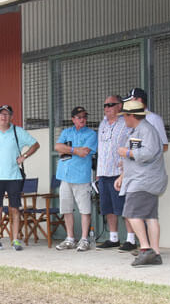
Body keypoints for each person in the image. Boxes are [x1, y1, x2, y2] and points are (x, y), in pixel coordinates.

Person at [114, 100, 168, 267]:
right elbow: (135, 159)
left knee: (131, 214)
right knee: (151, 217)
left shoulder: (146, 130)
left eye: (125, 116)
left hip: (144, 180)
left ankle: (145, 249)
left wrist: (127, 152)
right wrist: (122, 176)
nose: (124, 119)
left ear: (131, 116)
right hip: (141, 178)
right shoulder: (137, 130)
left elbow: (148, 153)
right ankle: (156, 253)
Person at [0, 104, 40, 252]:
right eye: (1, 114)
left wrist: (24, 156)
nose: (3, 117)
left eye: (6, 114)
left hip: (14, 177)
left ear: (11, 117)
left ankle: (15, 239)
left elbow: (35, 144)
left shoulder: (17, 131)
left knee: (14, 209)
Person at [54, 107, 98, 252]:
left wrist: (70, 149)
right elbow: (58, 146)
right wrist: (74, 150)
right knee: (66, 209)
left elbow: (86, 152)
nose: (82, 119)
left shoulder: (91, 134)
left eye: (84, 117)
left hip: (81, 176)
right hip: (65, 176)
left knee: (85, 209)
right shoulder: (67, 132)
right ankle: (70, 239)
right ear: (73, 119)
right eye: (79, 117)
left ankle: (84, 239)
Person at [95, 95, 133, 250]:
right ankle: (113, 237)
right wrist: (98, 172)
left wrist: (127, 164)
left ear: (120, 106)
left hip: (119, 173)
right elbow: (100, 149)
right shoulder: (102, 124)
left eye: (111, 104)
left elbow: (133, 143)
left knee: (124, 207)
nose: (107, 108)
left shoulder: (126, 123)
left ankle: (131, 239)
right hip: (104, 172)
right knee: (108, 208)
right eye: (105, 105)